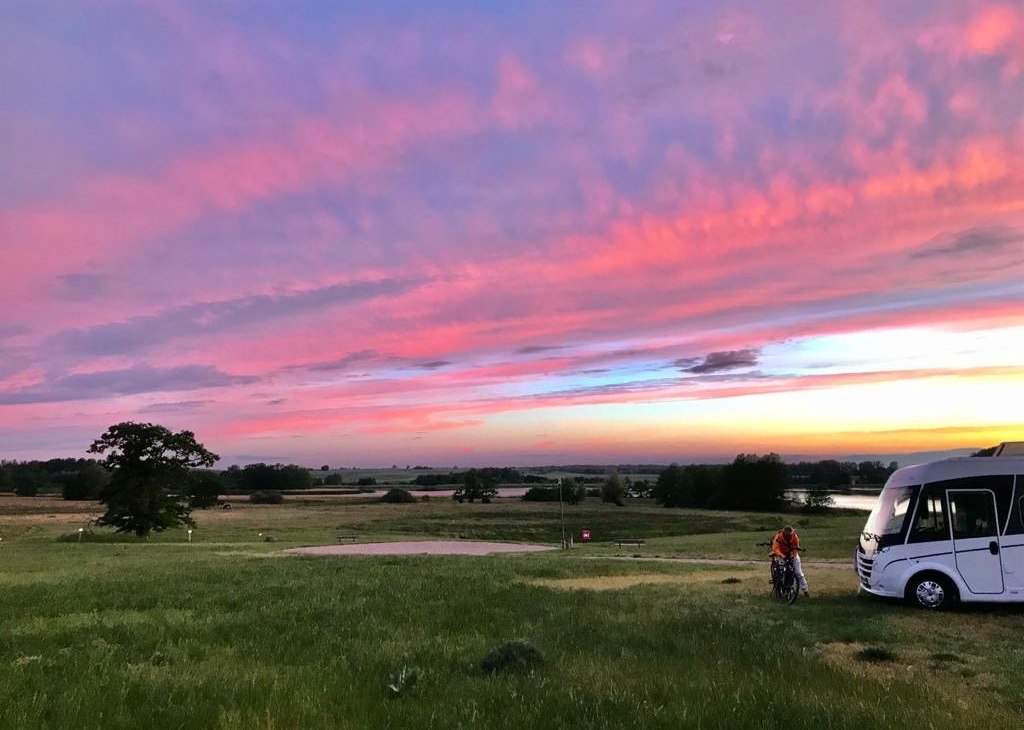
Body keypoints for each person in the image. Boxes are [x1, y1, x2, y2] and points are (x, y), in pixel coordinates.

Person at [771, 525, 809, 596]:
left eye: (790, 535)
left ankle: (805, 590)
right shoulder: (778, 537)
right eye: (787, 535)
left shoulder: (795, 537)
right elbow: (775, 549)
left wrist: (792, 555)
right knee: (782, 572)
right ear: (784, 533)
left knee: (798, 572)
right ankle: (783, 588)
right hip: (782, 555)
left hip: (793, 555)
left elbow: (796, 548)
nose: (789, 536)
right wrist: (783, 556)